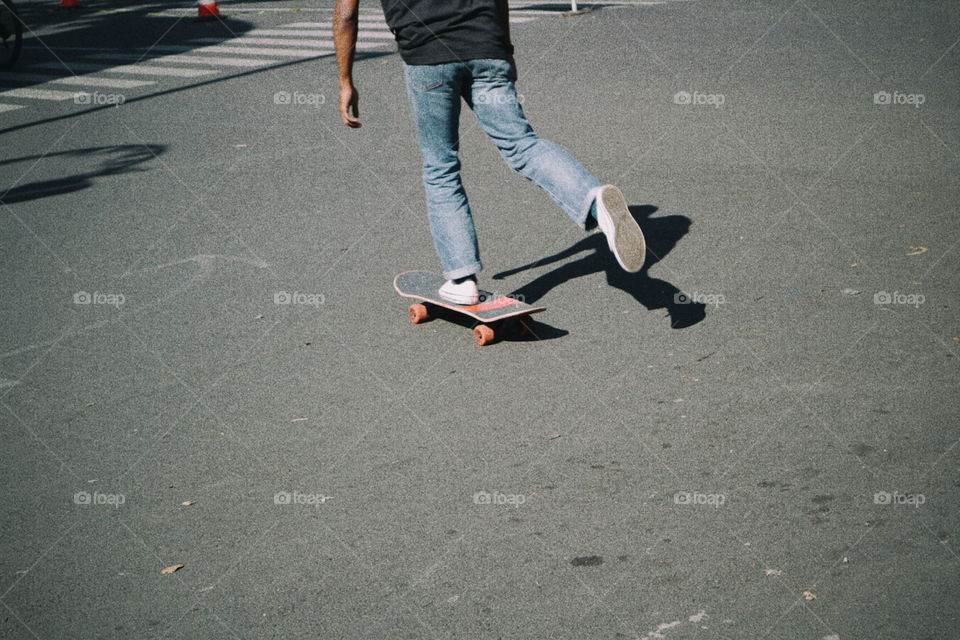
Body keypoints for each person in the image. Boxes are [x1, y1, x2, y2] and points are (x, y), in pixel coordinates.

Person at [333, 0, 645, 305]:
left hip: (428, 55)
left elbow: (347, 13)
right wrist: (505, 48)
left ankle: (462, 279)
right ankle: (592, 199)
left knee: (440, 166)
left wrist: (345, 81)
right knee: (523, 144)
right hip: (486, 47)